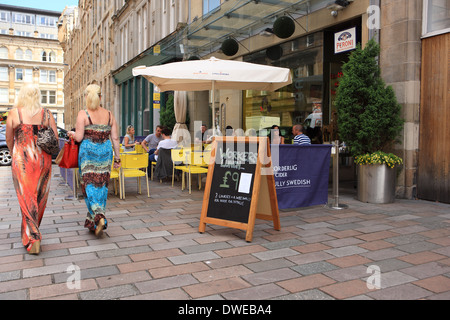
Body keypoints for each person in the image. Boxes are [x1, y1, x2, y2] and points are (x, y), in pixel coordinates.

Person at [5, 84, 57, 255]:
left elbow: (9, 140)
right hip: (43, 160)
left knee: (27, 198)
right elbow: (55, 138)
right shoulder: (47, 114)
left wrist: (16, 154)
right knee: (40, 197)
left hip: (23, 160)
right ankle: (32, 232)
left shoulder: (14, 113)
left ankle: (33, 237)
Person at [67, 84, 121, 237]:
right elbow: (115, 138)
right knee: (101, 186)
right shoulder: (109, 114)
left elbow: (78, 137)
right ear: (100, 97)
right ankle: (94, 221)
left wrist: (71, 133)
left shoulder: (83, 114)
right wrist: (117, 158)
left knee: (89, 185)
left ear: (86, 97)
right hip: (105, 153)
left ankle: (99, 216)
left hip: (88, 154)